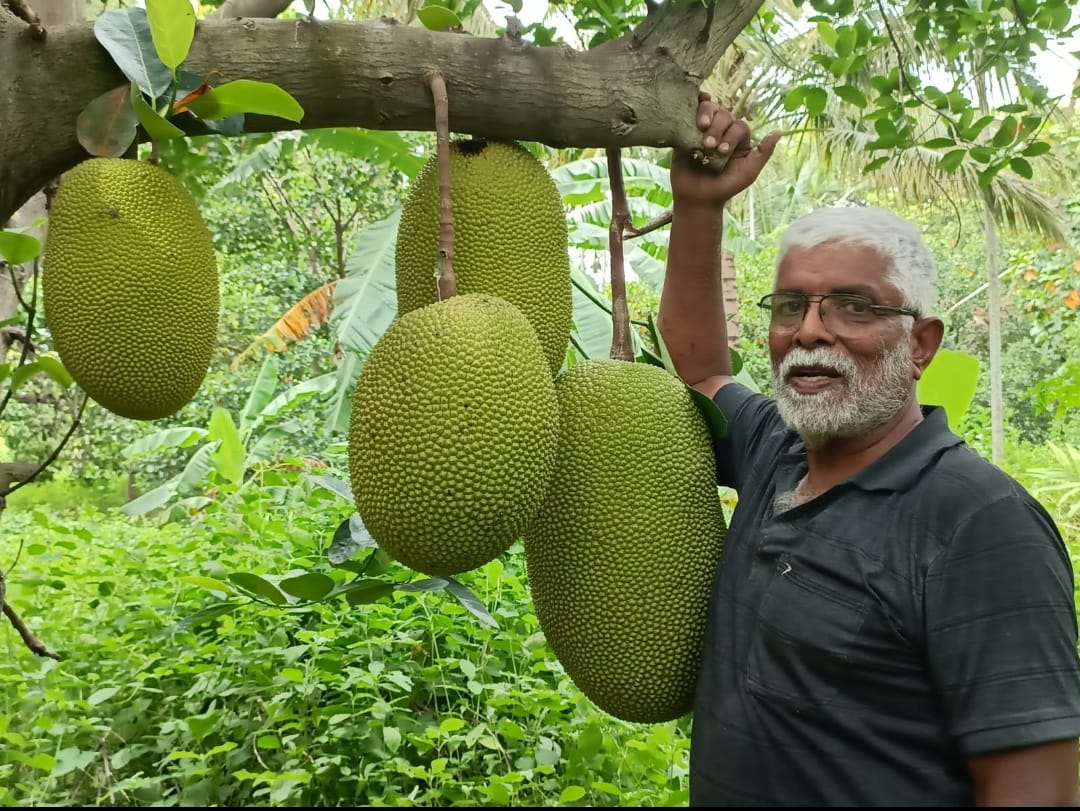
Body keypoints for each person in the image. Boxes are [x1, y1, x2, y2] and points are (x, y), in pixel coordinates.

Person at [657, 93, 1080, 806]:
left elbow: (1033, 790)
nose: (809, 330)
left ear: (921, 344)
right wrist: (699, 208)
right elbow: (701, 365)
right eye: (790, 305)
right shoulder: (775, 452)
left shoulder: (978, 525)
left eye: (854, 306)